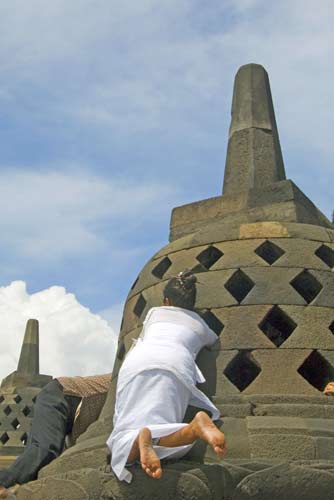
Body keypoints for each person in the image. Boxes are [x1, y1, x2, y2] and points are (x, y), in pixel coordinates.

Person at [107, 270, 227, 483]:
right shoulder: (201, 327)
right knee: (163, 427)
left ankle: (141, 439)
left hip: (137, 363)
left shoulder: (154, 315)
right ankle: (192, 428)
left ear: (166, 300)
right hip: (175, 364)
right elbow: (213, 340)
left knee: (122, 438)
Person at [0, 373, 111, 498]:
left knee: (42, 469)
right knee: (43, 450)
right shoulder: (126, 380)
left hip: (76, 426)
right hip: (62, 394)